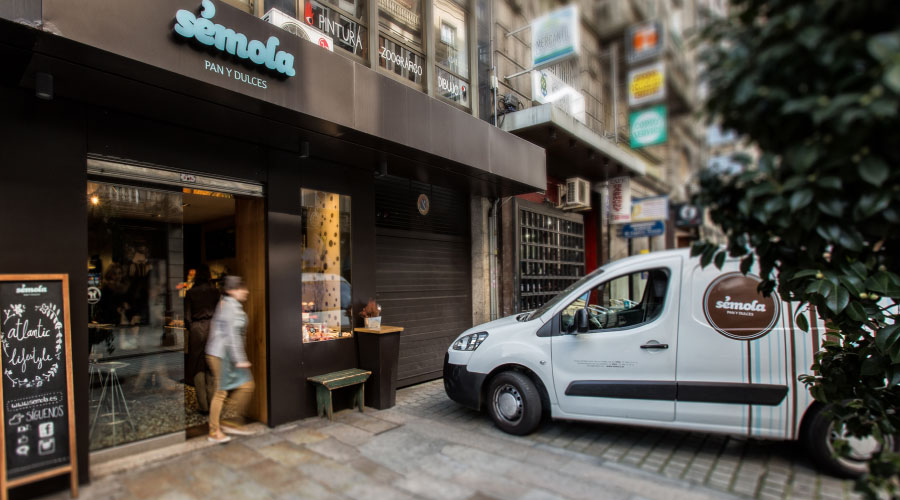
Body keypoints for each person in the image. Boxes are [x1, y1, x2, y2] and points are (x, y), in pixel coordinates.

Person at [206, 275, 255, 443]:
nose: (246, 291)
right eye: (242, 288)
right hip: (222, 354)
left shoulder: (229, 305)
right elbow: (232, 335)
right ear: (232, 290)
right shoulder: (230, 307)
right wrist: (240, 359)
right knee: (221, 392)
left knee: (247, 386)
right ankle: (214, 430)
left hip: (225, 354)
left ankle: (231, 420)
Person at [184, 266, 219, 414]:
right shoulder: (215, 292)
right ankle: (212, 404)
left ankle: (203, 406)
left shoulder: (191, 293)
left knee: (198, 366)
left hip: (197, 329)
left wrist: (192, 326)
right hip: (213, 327)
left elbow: (187, 316)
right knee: (210, 365)